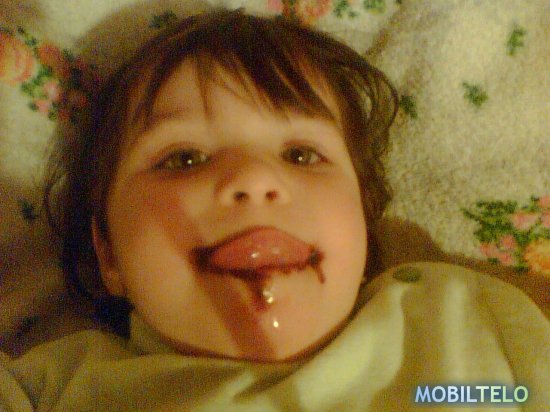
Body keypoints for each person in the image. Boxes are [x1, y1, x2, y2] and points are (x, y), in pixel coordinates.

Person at [1, 9, 548, 411]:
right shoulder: (53, 388)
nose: (255, 179)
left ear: (363, 219)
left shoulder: (454, 328)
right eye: (184, 158)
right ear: (108, 254)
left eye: (301, 155)